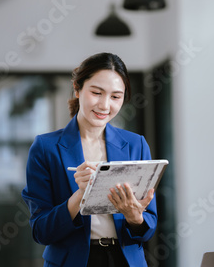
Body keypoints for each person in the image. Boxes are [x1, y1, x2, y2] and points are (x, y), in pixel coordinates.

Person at [21, 53, 157, 267]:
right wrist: (80, 197)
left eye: (115, 96)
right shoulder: (46, 148)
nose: (104, 105)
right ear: (77, 89)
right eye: (96, 92)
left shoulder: (135, 145)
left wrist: (134, 217)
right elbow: (41, 231)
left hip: (125, 261)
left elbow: (148, 225)